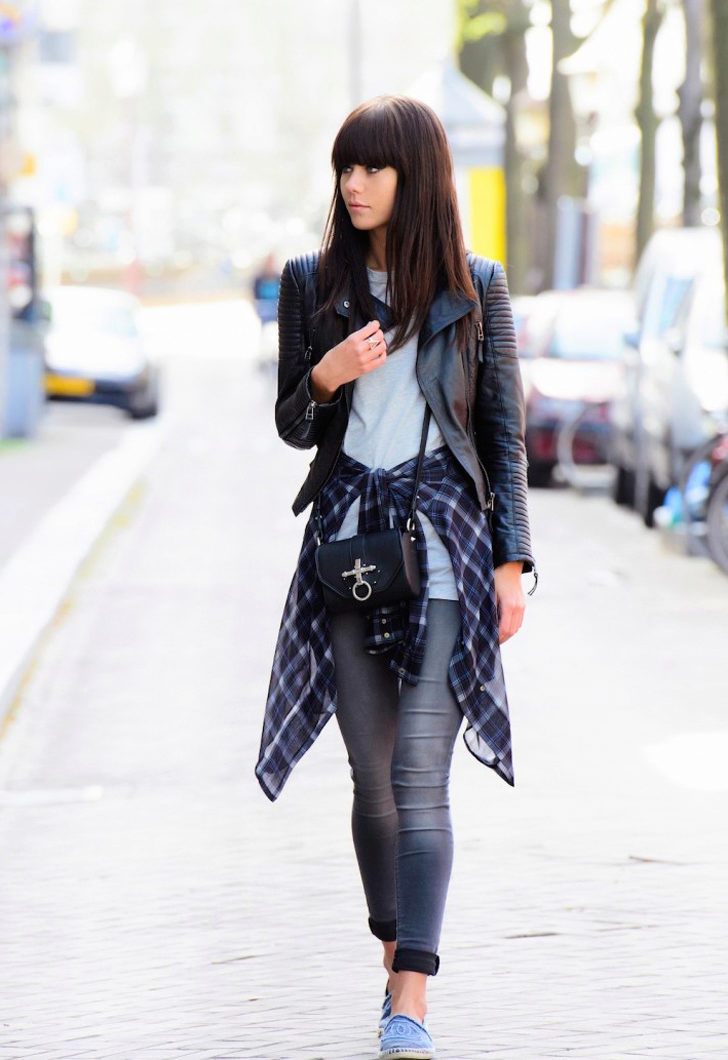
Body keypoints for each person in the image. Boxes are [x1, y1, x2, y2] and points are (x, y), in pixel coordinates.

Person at [256, 95, 536, 1060]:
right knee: (370, 780)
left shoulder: (475, 287)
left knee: (420, 776)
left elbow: (502, 436)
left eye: (373, 167)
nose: (354, 184)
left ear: (416, 176)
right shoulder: (311, 282)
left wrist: (512, 563)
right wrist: (325, 374)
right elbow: (292, 425)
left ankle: (411, 997)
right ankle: (395, 945)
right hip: (347, 548)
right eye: (346, 167)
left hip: (447, 546)